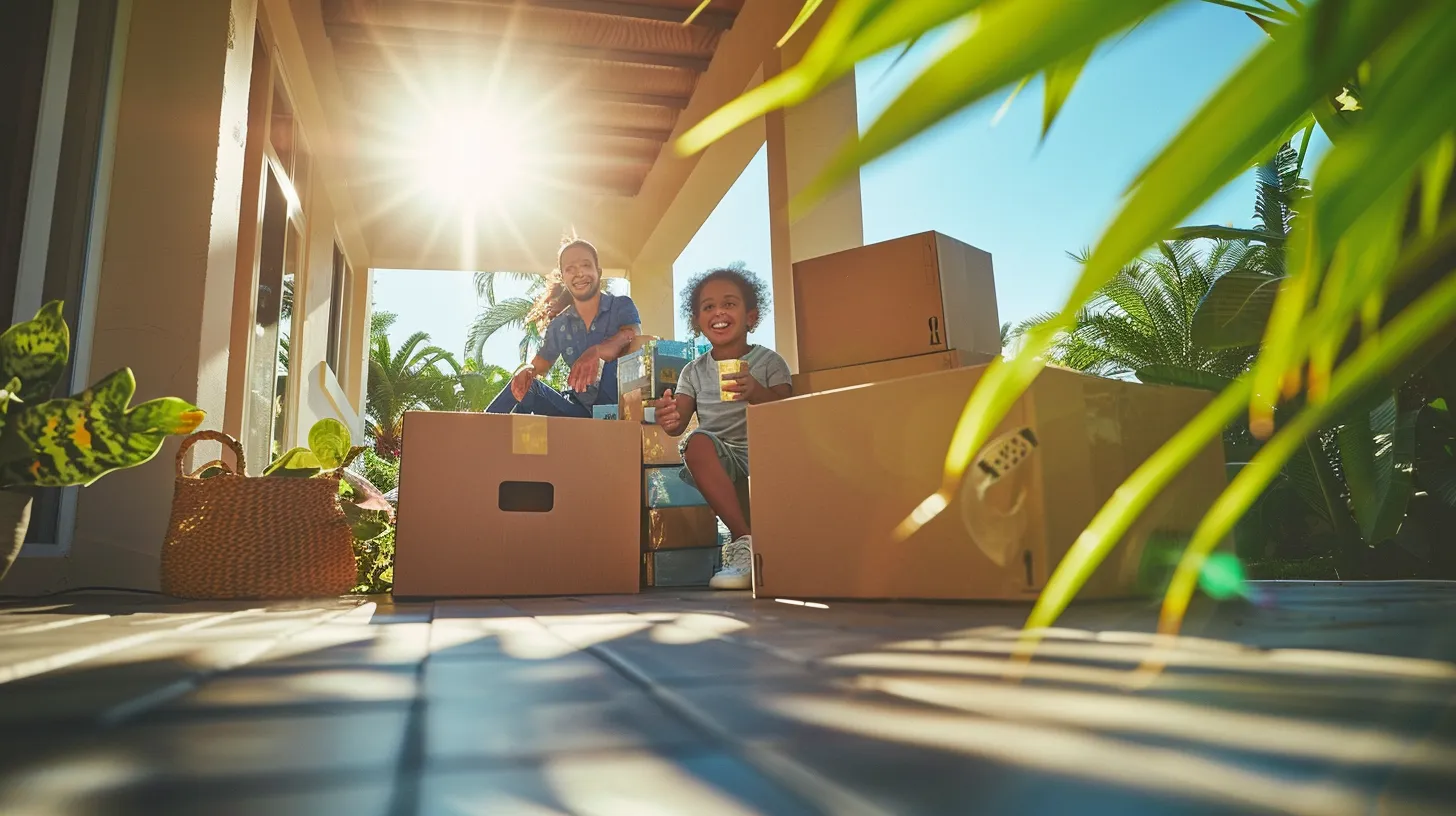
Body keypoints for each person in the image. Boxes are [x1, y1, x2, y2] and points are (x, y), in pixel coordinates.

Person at [653, 266, 791, 590]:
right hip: (721, 459)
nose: (719, 312)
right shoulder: (693, 371)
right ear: (697, 321)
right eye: (708, 306)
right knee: (695, 442)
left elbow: (788, 414)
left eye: (729, 304)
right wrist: (669, 417)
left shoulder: (770, 363)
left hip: (766, 455)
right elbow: (679, 425)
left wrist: (757, 392)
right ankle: (744, 544)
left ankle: (761, 545)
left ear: (751, 317)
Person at [486, 239, 640, 417]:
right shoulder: (560, 325)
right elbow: (537, 367)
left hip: (620, 411)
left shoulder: (621, 305)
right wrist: (525, 370)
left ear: (598, 272)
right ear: (563, 277)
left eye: (585, 265)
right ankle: (477, 432)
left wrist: (598, 351)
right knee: (525, 384)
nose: (579, 273)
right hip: (579, 415)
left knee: (613, 365)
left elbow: (633, 334)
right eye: (570, 269)